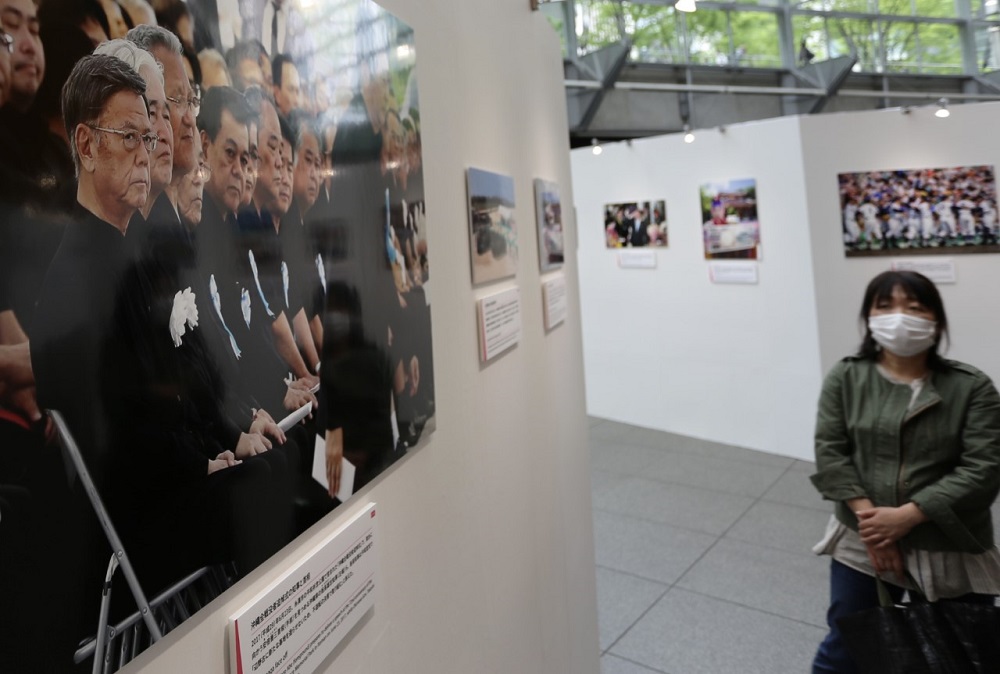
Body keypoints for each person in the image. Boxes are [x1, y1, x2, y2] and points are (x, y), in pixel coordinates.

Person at [810, 270, 1000, 674]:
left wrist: (908, 516)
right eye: (886, 306)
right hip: (861, 540)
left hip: (949, 541)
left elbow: (984, 468)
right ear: (869, 317)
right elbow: (831, 454)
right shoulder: (846, 377)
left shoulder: (972, 387)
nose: (900, 317)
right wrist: (874, 527)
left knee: (961, 653)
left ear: (936, 320)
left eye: (914, 308)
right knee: (845, 649)